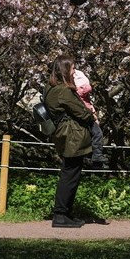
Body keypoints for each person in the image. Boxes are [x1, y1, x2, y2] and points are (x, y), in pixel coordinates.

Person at [45, 54, 94, 228]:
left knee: (69, 172)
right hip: (72, 135)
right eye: (72, 68)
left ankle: (65, 213)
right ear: (65, 69)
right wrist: (91, 115)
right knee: (70, 174)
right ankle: (60, 215)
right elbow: (81, 112)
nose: (74, 72)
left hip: (63, 134)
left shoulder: (49, 88)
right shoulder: (64, 90)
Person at [73, 68, 107, 169]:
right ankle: (96, 156)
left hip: (87, 117)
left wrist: (94, 114)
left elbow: (90, 105)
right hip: (85, 117)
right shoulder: (79, 93)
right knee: (96, 134)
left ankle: (96, 157)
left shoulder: (81, 95)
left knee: (95, 135)